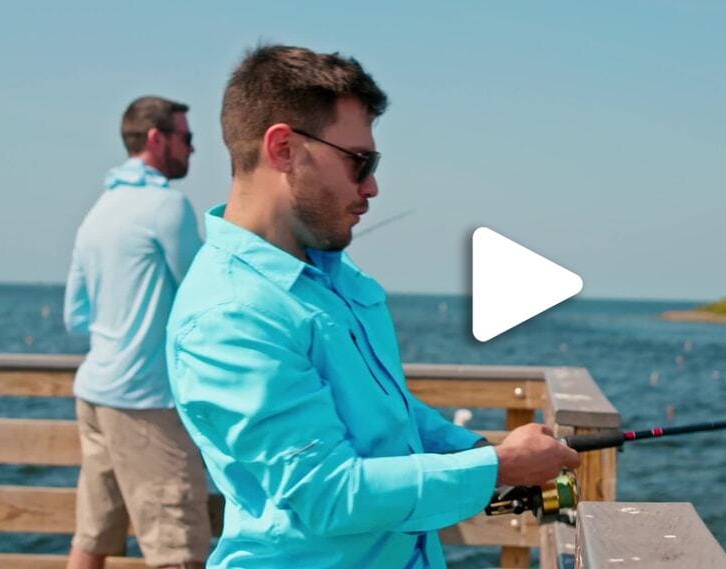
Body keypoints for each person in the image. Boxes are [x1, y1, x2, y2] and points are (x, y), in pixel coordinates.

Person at [165, 45, 580, 568]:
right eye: (359, 162)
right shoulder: (228, 315)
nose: (372, 186)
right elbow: (330, 496)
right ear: (284, 149)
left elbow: (389, 415)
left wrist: (477, 449)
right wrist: (498, 467)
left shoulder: (335, 276)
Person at [63, 96, 210, 569]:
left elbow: (74, 317)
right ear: (156, 138)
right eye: (186, 138)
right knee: (179, 554)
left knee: (92, 539)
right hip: (146, 405)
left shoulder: (98, 211)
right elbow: (205, 295)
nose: (193, 149)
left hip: (96, 397)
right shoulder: (167, 206)